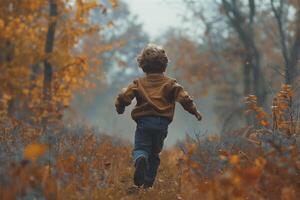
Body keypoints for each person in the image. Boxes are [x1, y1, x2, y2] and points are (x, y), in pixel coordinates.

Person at [115, 43, 202, 188]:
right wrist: (194, 111)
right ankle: (148, 183)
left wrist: (120, 107)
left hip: (143, 122)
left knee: (141, 148)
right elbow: (184, 98)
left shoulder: (138, 83)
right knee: (155, 153)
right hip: (161, 124)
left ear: (142, 65)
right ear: (164, 65)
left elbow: (124, 96)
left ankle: (141, 159)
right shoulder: (170, 84)